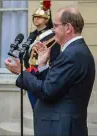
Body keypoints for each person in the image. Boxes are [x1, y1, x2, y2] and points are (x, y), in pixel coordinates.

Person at [5, 7, 95, 136]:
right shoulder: (75, 51)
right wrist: (42, 65)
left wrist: (22, 72)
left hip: (61, 128)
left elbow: (47, 91)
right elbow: (58, 85)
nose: (53, 30)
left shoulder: (72, 54)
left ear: (68, 28)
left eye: (56, 26)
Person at [24, 0, 61, 109]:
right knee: (35, 110)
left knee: (42, 110)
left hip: (43, 78)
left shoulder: (52, 36)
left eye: (39, 17)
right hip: (31, 76)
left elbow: (54, 58)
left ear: (47, 19)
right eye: (35, 16)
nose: (36, 19)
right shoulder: (32, 35)